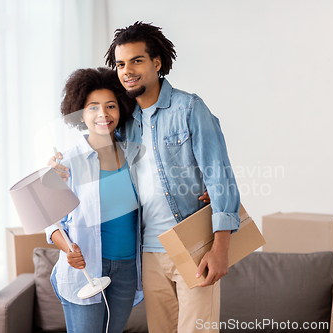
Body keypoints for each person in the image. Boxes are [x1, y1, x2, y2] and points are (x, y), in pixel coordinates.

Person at [51, 22, 239, 333]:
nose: (127, 71)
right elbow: (89, 149)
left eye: (137, 60)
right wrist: (56, 166)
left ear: (157, 62)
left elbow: (220, 177)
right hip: (148, 253)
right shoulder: (124, 123)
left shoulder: (189, 108)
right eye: (121, 64)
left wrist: (220, 248)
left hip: (193, 244)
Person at [44, 67, 141, 333]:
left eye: (110, 106)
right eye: (93, 107)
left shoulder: (135, 156)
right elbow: (51, 222)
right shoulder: (67, 162)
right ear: (80, 113)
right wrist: (68, 250)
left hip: (127, 269)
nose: (103, 114)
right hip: (86, 269)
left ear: (121, 108)